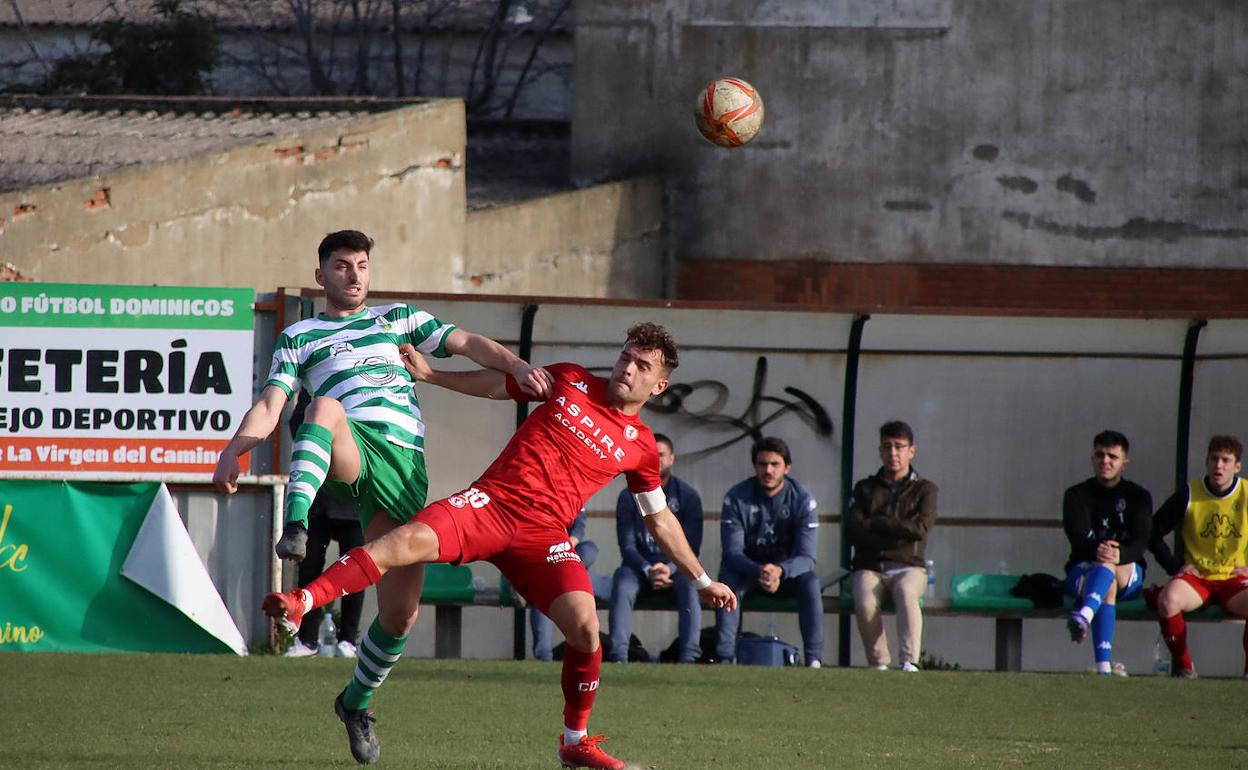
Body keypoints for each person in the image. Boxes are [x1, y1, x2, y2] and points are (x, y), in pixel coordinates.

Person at [261, 323, 736, 770]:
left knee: (586, 628)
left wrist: (701, 579)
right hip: (490, 504)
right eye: (625, 357)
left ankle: (574, 743)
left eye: (641, 366)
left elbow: (659, 519)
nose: (627, 369)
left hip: (544, 535)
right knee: (401, 543)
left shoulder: (642, 446)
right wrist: (432, 374)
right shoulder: (570, 380)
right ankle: (303, 601)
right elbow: (498, 386)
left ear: (658, 386)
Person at [213, 229, 551, 764]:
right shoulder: (300, 335)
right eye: (343, 265)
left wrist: (515, 365)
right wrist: (235, 450)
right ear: (320, 275)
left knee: (399, 616)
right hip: (354, 447)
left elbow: (466, 343)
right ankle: (295, 527)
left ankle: (355, 703)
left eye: (363, 265)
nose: (354, 275)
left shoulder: (397, 319)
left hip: (405, 467)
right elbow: (272, 403)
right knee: (324, 409)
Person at [714, 436, 821, 667]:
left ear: (787, 468)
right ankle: (724, 657)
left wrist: (780, 570)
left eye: (775, 464)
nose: (768, 470)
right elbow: (732, 552)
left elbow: (807, 557)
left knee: (811, 583)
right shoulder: (736, 497)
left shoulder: (802, 498)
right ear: (755, 466)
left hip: (786, 574)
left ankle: (814, 660)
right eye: (762, 464)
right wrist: (759, 570)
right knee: (727, 582)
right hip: (748, 571)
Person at [1150, 434, 1248, 679]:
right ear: (1206, 461)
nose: (1219, 466)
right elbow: (1153, 532)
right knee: (1167, 601)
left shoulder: (1246, 493)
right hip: (1199, 579)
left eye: (1226, 460)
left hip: (1233, 580)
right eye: (1214, 459)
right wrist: (1175, 565)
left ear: (1237, 466)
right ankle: (1186, 668)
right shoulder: (1189, 493)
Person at [845, 421, 938, 672]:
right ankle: (879, 664)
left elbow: (919, 529)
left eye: (899, 447)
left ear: (912, 450)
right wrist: (897, 534)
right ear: (880, 450)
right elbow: (852, 531)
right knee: (865, 601)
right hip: (870, 566)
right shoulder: (865, 488)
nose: (893, 453)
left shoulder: (925, 489)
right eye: (887, 446)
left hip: (909, 566)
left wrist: (876, 522)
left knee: (908, 595)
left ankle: (909, 661)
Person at [1060, 430, 1152, 675]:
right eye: (1100, 455)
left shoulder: (1139, 497)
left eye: (1112, 456)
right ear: (1092, 459)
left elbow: (1141, 542)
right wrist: (1099, 551)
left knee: (1109, 569)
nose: (1105, 461)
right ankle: (1103, 667)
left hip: (1126, 571)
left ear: (1124, 462)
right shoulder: (1076, 495)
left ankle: (1085, 616)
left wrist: (1118, 554)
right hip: (1083, 570)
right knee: (1105, 577)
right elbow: (1077, 539)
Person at [607, 433, 704, 664]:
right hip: (638, 567)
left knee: (692, 584)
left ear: (672, 458)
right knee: (622, 581)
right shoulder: (627, 496)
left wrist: (669, 568)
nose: (657, 459)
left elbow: (693, 546)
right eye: (652, 455)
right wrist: (648, 568)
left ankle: (689, 658)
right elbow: (627, 546)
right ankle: (619, 656)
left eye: (662, 455)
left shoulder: (689, 496)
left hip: (677, 567)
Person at [284, 391, 366, 659]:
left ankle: (348, 641)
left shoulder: (363, 383)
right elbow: (297, 424)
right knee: (309, 567)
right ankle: (306, 640)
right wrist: (321, 439)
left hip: (353, 499)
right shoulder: (316, 381)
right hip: (318, 497)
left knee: (355, 568)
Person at [530, 509, 602, 662]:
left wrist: (568, 545)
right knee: (546, 585)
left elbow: (579, 526)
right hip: (542, 554)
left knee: (590, 549)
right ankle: (544, 656)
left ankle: (564, 573)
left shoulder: (568, 489)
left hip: (568, 551)